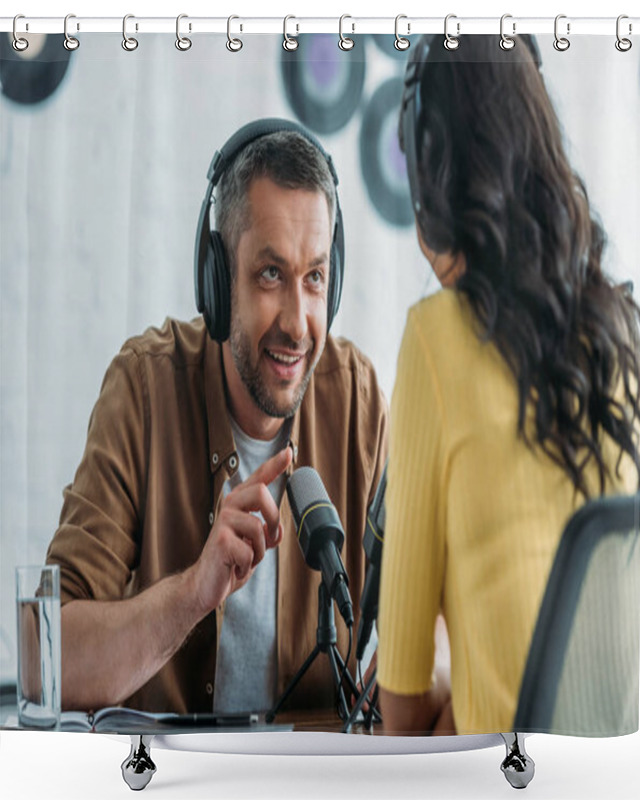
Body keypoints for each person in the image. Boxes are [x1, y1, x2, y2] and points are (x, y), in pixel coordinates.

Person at [45, 120, 388, 716]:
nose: (298, 321)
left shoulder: (356, 397)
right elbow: (50, 660)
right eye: (270, 274)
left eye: (314, 278)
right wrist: (192, 592)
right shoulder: (144, 389)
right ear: (217, 282)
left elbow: (430, 621)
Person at [377, 35, 640, 735]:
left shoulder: (436, 338)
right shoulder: (623, 333)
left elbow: (400, 705)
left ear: (430, 168)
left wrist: (452, 693)